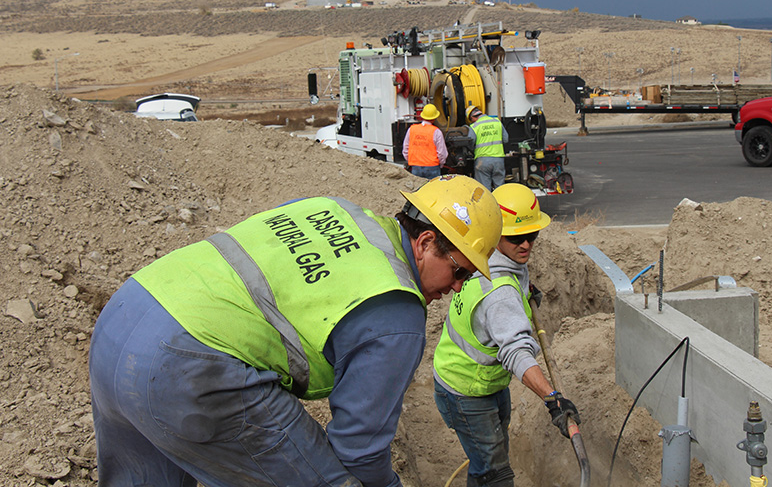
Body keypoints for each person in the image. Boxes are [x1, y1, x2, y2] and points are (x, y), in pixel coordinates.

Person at [89, 174, 502, 487]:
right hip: (186, 367)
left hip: (123, 318)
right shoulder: (398, 314)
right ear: (425, 242)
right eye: (459, 271)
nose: (456, 288)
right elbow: (359, 449)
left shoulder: (333, 208)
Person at [432, 183, 580, 486]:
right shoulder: (500, 294)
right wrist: (552, 399)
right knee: (494, 473)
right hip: (466, 390)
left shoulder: (481, 255)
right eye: (515, 237)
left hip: (481, 381)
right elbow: (516, 353)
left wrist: (525, 291)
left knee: (490, 458)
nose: (526, 245)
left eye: (532, 235)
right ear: (496, 233)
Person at [466, 105, 508, 190]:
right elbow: (506, 139)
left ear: (472, 117)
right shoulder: (497, 122)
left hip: (482, 161)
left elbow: (470, 142)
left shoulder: (474, 127)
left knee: (485, 190)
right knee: (500, 188)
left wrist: (472, 151)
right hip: (498, 160)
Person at [403, 103, 448, 179]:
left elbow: (405, 149)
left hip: (415, 167)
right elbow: (442, 153)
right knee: (432, 186)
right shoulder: (436, 132)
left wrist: (411, 161)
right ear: (434, 118)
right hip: (432, 167)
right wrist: (441, 164)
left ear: (422, 116)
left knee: (418, 186)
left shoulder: (411, 129)